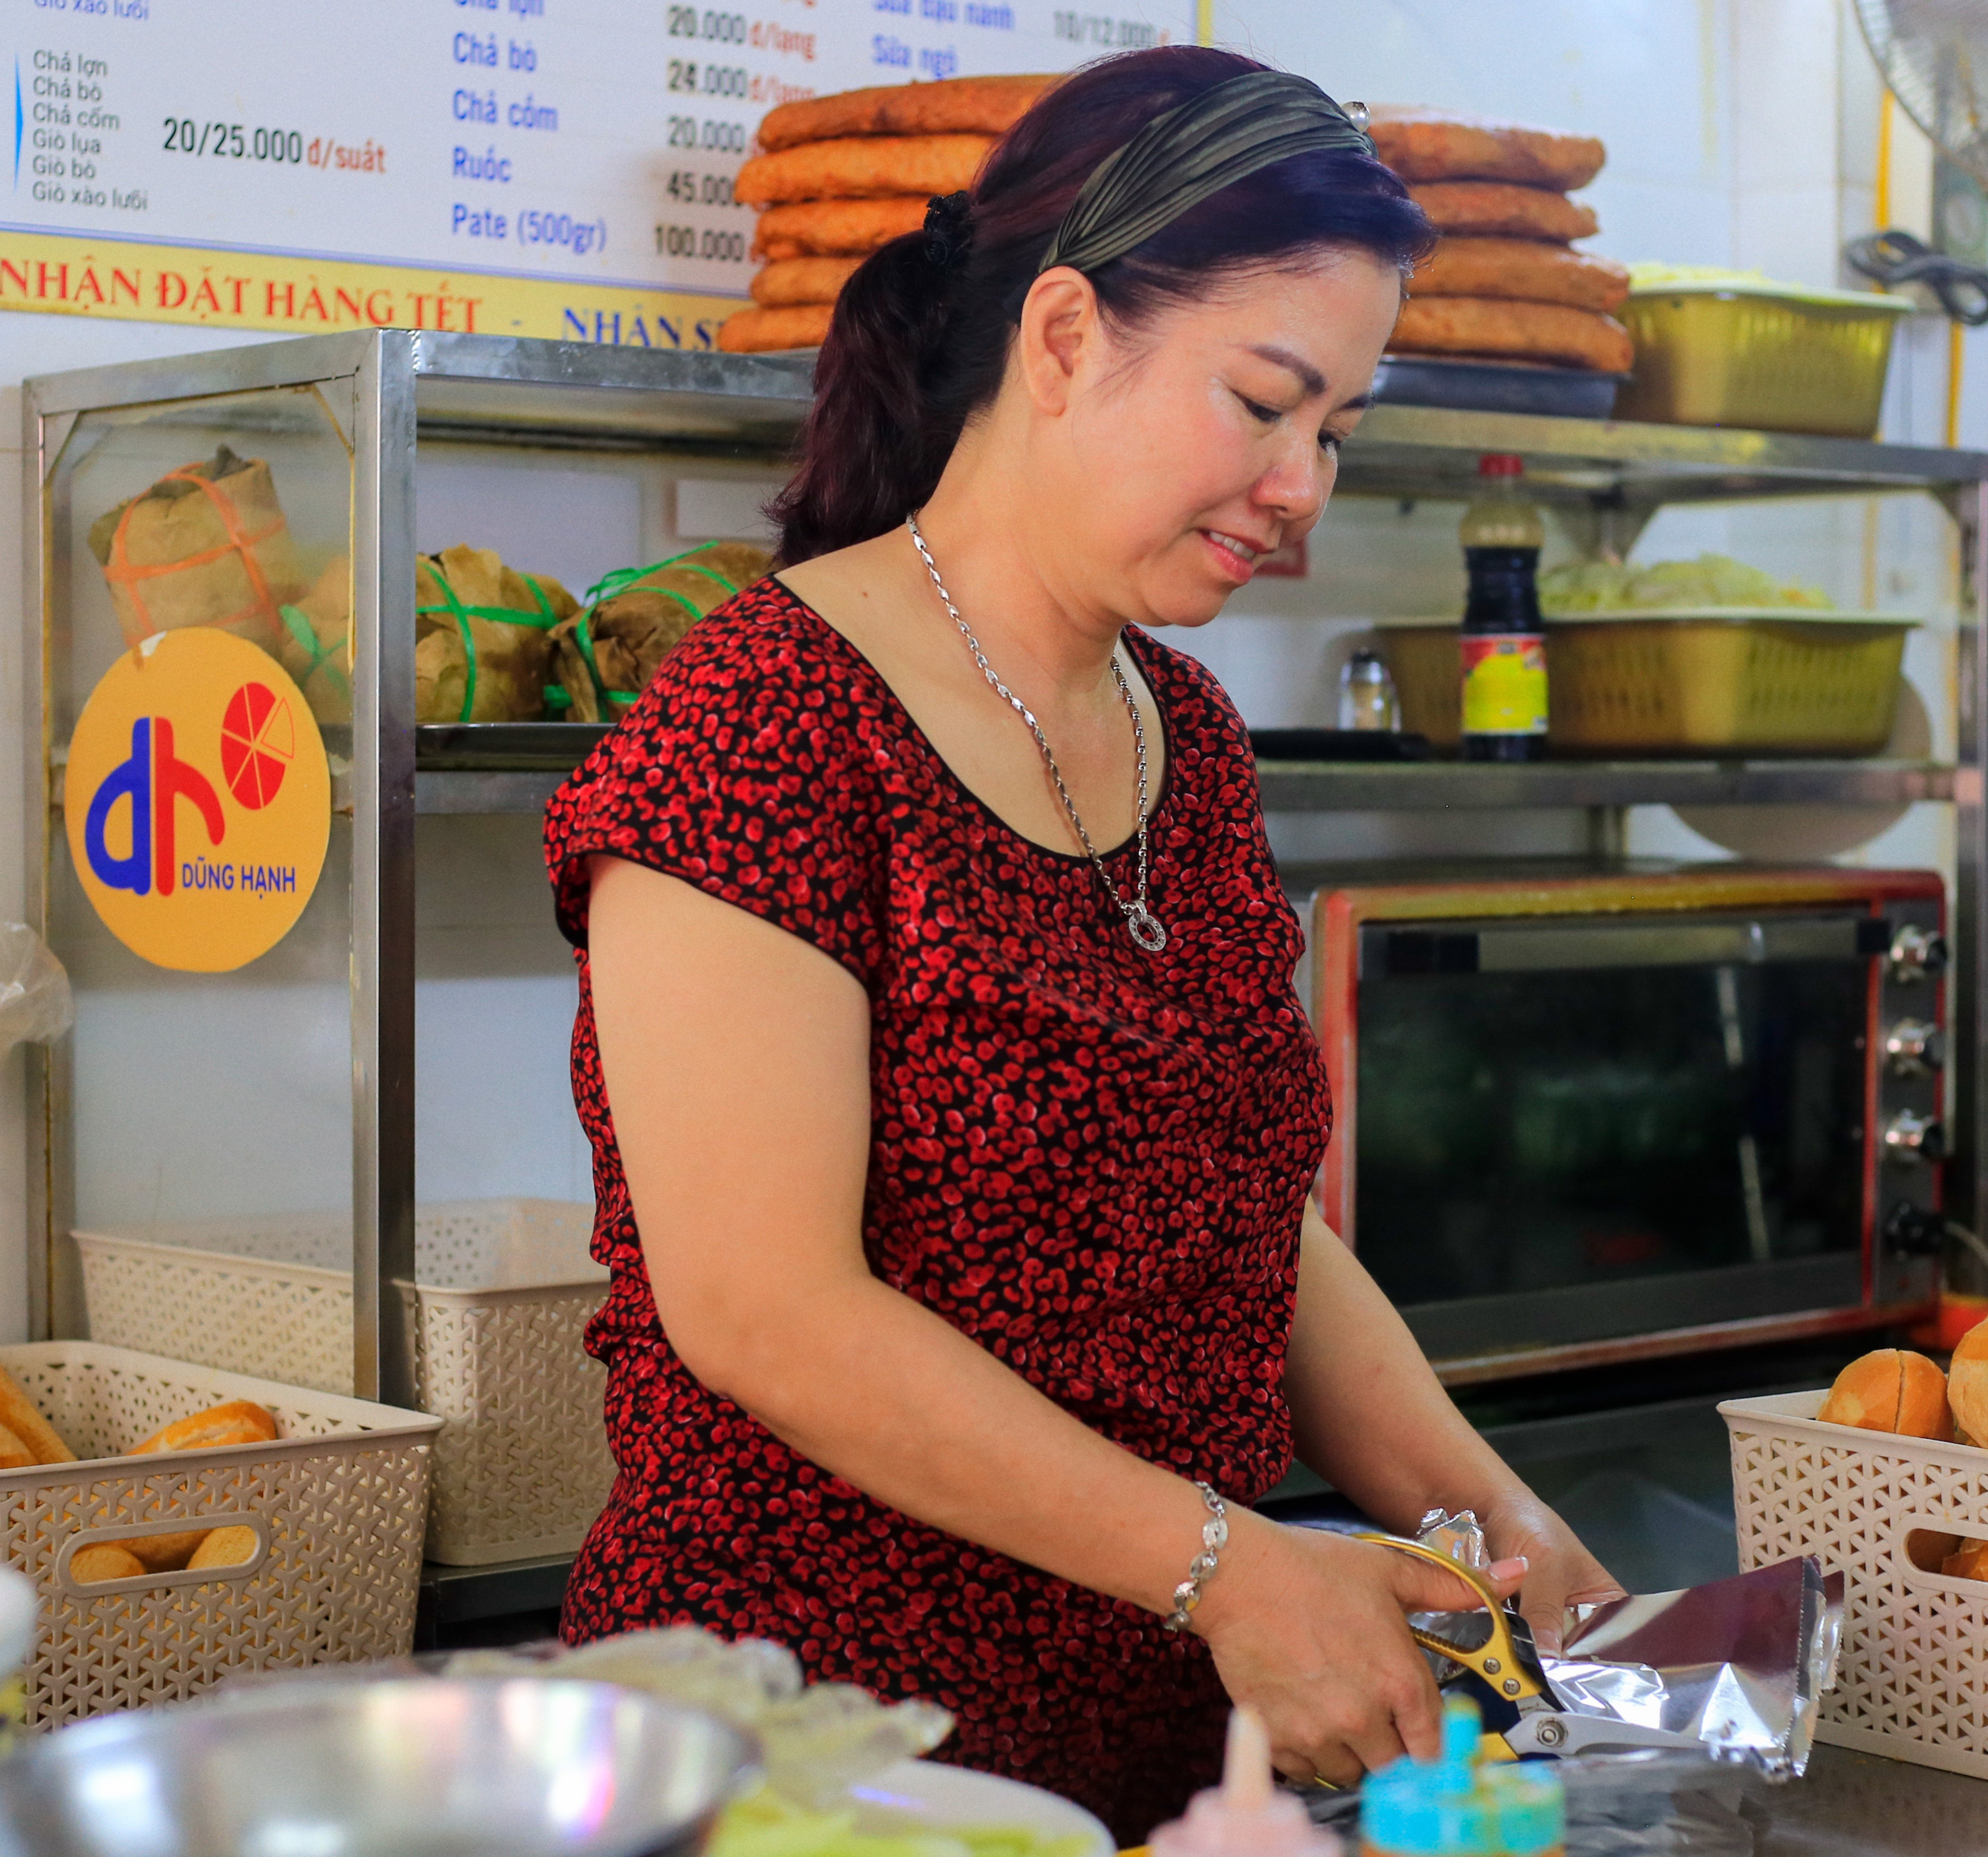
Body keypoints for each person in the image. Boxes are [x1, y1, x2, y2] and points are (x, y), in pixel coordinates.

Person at [544, 46, 1623, 1837]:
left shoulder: (1184, 739)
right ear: (1061, 339)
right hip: (820, 1756)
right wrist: (1235, 1569)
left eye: (1338, 428)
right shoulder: (760, 723)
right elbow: (764, 1311)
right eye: (1265, 402)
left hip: (1160, 1757)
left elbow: (1234, 1215)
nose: (1304, 487)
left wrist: (1479, 1511)